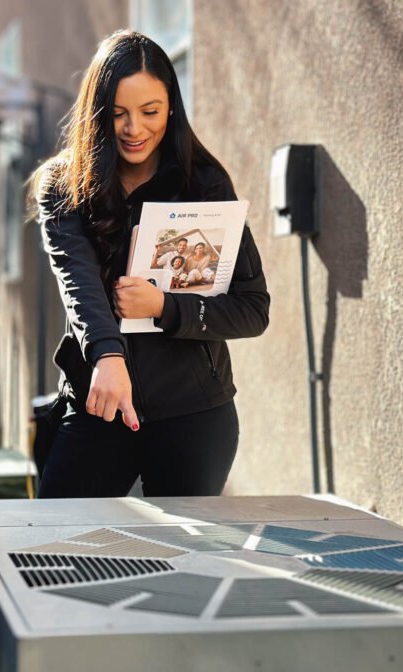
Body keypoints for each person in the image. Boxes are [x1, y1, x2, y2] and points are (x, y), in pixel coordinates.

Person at [32, 30, 270, 498]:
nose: (134, 129)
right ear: (96, 113)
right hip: (99, 402)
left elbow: (252, 309)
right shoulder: (63, 185)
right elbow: (77, 282)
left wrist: (162, 304)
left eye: (150, 112)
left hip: (195, 416)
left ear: (171, 108)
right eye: (117, 114)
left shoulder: (203, 183)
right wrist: (108, 354)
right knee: (60, 549)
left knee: (185, 564)